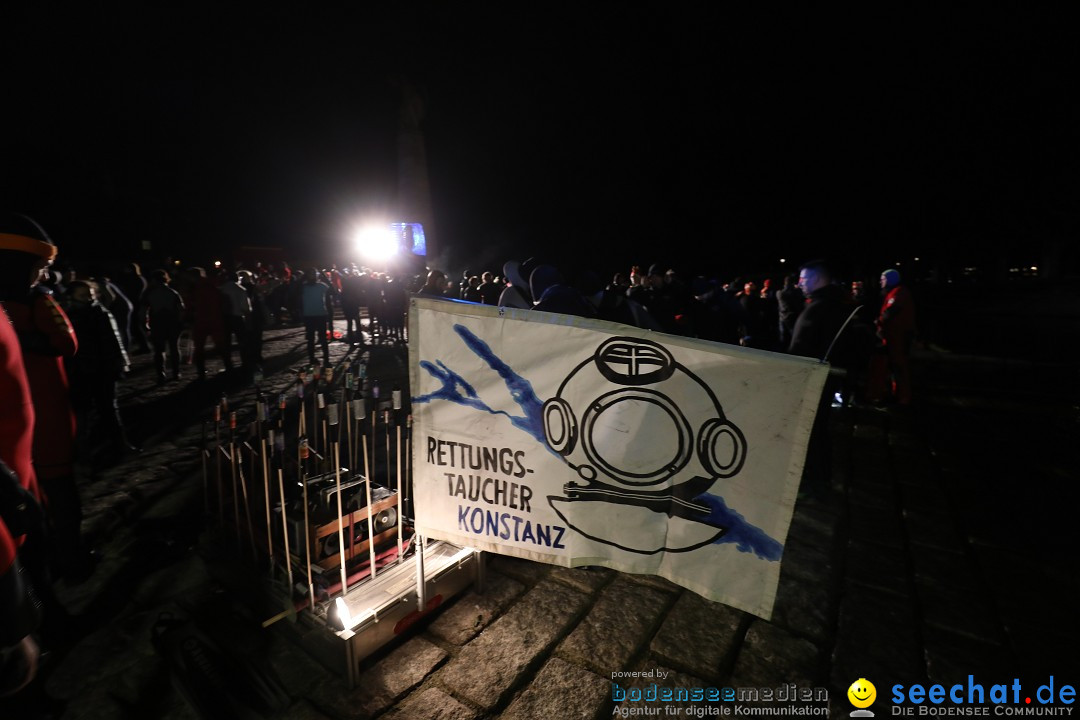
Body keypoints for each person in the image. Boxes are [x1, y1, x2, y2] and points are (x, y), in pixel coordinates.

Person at [62, 280, 138, 468]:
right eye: (83, 295)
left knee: (109, 409)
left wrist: (120, 361)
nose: (88, 298)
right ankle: (83, 455)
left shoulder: (100, 311)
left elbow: (114, 338)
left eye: (90, 294)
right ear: (71, 296)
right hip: (81, 371)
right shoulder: (68, 316)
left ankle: (120, 445)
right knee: (83, 414)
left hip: (104, 369)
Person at [871, 268, 916, 405]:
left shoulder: (899, 292)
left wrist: (878, 322)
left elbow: (891, 312)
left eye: (883, 279)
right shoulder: (893, 292)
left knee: (899, 366)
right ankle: (895, 394)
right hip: (893, 337)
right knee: (894, 366)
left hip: (899, 337)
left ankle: (903, 397)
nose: (880, 282)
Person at [140, 270, 185, 382]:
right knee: (174, 348)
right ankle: (176, 372)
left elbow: (143, 311)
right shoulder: (173, 292)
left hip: (158, 323)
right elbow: (181, 310)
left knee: (159, 350)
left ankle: (161, 374)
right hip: (173, 322)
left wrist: (145, 325)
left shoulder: (150, 294)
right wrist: (182, 322)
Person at [300, 268, 332, 367]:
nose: (312, 276)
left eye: (314, 274)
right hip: (309, 316)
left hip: (321, 315)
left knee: (323, 339)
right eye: (310, 274)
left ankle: (326, 360)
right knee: (311, 339)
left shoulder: (322, 286)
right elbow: (293, 289)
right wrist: (302, 278)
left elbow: (333, 290)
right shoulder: (302, 287)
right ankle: (311, 359)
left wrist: (323, 275)